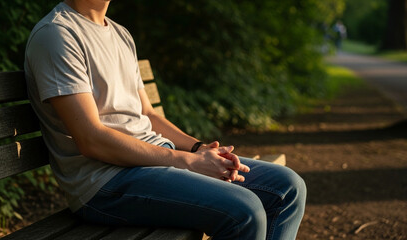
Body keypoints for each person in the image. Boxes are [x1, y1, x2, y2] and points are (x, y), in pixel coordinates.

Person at [24, 0, 306, 239]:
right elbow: (91, 139)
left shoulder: (120, 34)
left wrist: (199, 149)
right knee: (245, 211)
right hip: (104, 182)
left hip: (154, 162)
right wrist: (188, 162)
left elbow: (148, 114)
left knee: (288, 187)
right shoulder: (57, 35)